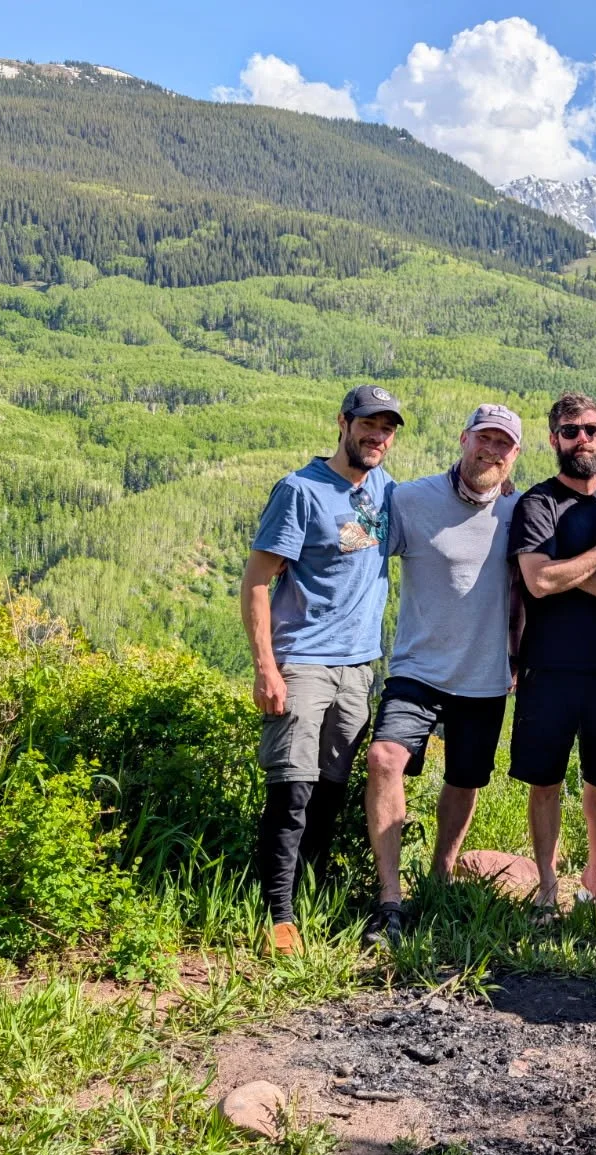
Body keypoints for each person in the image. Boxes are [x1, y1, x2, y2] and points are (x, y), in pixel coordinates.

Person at [241, 384, 403, 956]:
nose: (376, 436)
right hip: (303, 661)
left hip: (359, 667)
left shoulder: (383, 490)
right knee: (291, 788)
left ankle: (310, 890)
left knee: (331, 789)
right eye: (367, 425)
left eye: (387, 429)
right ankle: (277, 916)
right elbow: (257, 581)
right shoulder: (300, 490)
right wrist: (267, 667)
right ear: (342, 422)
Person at [361, 404, 523, 947]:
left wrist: (519, 658)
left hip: (483, 675)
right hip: (417, 668)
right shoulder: (410, 499)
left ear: (515, 454)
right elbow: (361, 557)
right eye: (484, 439)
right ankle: (390, 899)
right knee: (384, 759)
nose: (491, 451)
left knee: (465, 779)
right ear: (463, 439)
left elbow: (525, 590)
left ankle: (441, 876)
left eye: (503, 444)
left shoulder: (520, 512)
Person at [508, 392, 596, 919]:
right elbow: (538, 583)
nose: (582, 439)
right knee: (545, 780)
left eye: (591, 429)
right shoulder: (538, 504)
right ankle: (546, 885)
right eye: (571, 431)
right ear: (554, 440)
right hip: (546, 665)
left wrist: (568, 570)